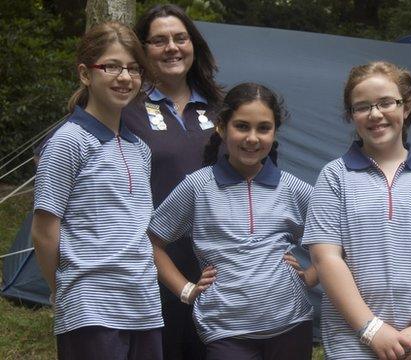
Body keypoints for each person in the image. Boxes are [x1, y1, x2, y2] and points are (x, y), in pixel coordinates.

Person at [303, 61, 411, 360]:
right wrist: (371, 328)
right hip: (354, 343)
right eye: (362, 107)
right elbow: (326, 258)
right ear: (351, 115)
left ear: (406, 106)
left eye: (386, 102)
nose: (375, 114)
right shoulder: (334, 176)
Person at [148, 83, 317, 360]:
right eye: (242, 126)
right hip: (224, 331)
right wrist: (185, 289)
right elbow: (153, 242)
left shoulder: (291, 188)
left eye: (263, 128)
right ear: (222, 128)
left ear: (274, 133)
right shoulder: (198, 186)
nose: (252, 138)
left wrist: (311, 275)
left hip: (291, 325)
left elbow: (335, 236)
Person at [31, 22, 164, 359]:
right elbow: (44, 232)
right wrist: (61, 291)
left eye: (134, 68)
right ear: (85, 74)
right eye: (111, 66)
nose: (125, 77)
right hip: (91, 308)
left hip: (143, 304)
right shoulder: (68, 142)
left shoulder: (140, 149)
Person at [122, 4, 225, 358]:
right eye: (159, 41)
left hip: (218, 261)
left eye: (180, 38)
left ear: (193, 44)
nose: (172, 48)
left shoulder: (220, 106)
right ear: (142, 49)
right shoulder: (125, 107)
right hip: (150, 260)